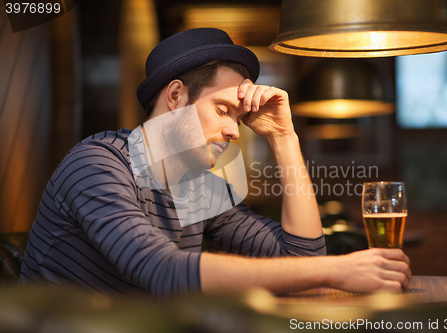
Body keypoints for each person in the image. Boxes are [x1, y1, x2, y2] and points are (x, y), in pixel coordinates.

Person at [19, 28, 411, 298]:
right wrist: (337, 271)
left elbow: (302, 256)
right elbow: (165, 273)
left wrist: (284, 138)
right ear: (176, 96)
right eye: (223, 110)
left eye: (238, 119)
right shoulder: (96, 165)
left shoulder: (196, 189)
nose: (234, 132)